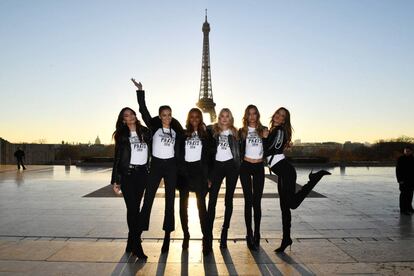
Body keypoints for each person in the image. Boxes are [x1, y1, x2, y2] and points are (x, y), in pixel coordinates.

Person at [264, 107, 330, 253]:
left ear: (284, 121)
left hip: (286, 172)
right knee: (284, 208)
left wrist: (264, 137)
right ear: (274, 114)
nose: (279, 117)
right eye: (278, 114)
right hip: (282, 172)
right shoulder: (275, 130)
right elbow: (275, 146)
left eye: (283, 117)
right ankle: (286, 239)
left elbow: (270, 148)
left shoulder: (279, 131)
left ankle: (314, 179)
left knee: (292, 204)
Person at [133, 78, 184, 253]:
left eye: (169, 114)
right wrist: (140, 92)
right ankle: (137, 235)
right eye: (164, 115)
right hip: (155, 166)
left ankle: (167, 236)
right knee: (148, 200)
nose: (167, 117)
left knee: (170, 202)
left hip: (171, 167)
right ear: (160, 116)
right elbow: (143, 111)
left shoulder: (176, 130)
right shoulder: (154, 127)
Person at [111, 107, 151, 260]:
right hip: (128, 174)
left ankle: (130, 241)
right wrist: (116, 181)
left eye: (132, 114)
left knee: (136, 209)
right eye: (126, 115)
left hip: (142, 174)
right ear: (123, 120)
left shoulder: (145, 132)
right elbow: (118, 158)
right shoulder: (121, 135)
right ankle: (137, 246)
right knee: (132, 208)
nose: (130, 117)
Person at [177, 108, 213, 255]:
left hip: (200, 172)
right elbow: (178, 154)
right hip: (185, 172)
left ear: (201, 118)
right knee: (182, 206)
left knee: (201, 207)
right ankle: (186, 235)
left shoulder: (206, 135)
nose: (194, 119)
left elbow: (211, 157)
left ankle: (206, 238)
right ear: (188, 118)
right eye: (191, 116)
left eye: (197, 116)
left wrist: (209, 176)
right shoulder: (183, 134)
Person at [206, 108, 240, 250]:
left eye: (227, 116)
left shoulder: (237, 133)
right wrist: (208, 174)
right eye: (222, 116)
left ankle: (225, 231)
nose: (224, 119)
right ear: (218, 118)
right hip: (216, 167)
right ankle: (208, 234)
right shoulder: (211, 132)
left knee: (228, 200)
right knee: (212, 200)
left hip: (231, 166)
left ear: (230, 118)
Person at [239, 105, 268, 250]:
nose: (252, 116)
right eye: (249, 114)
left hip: (258, 168)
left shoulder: (263, 130)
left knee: (257, 202)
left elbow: (270, 145)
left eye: (254, 114)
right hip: (245, 166)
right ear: (246, 115)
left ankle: (257, 232)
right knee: (248, 201)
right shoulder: (242, 131)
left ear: (257, 115)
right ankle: (248, 233)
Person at [396, 146, 414, 215]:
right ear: (404, 151)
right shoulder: (401, 159)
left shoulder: (413, 159)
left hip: (412, 181)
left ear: (411, 151)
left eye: (408, 151)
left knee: (410, 195)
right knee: (403, 195)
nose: (407, 152)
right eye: (405, 151)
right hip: (403, 180)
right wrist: (399, 180)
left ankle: (409, 207)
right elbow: (398, 170)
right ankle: (403, 209)